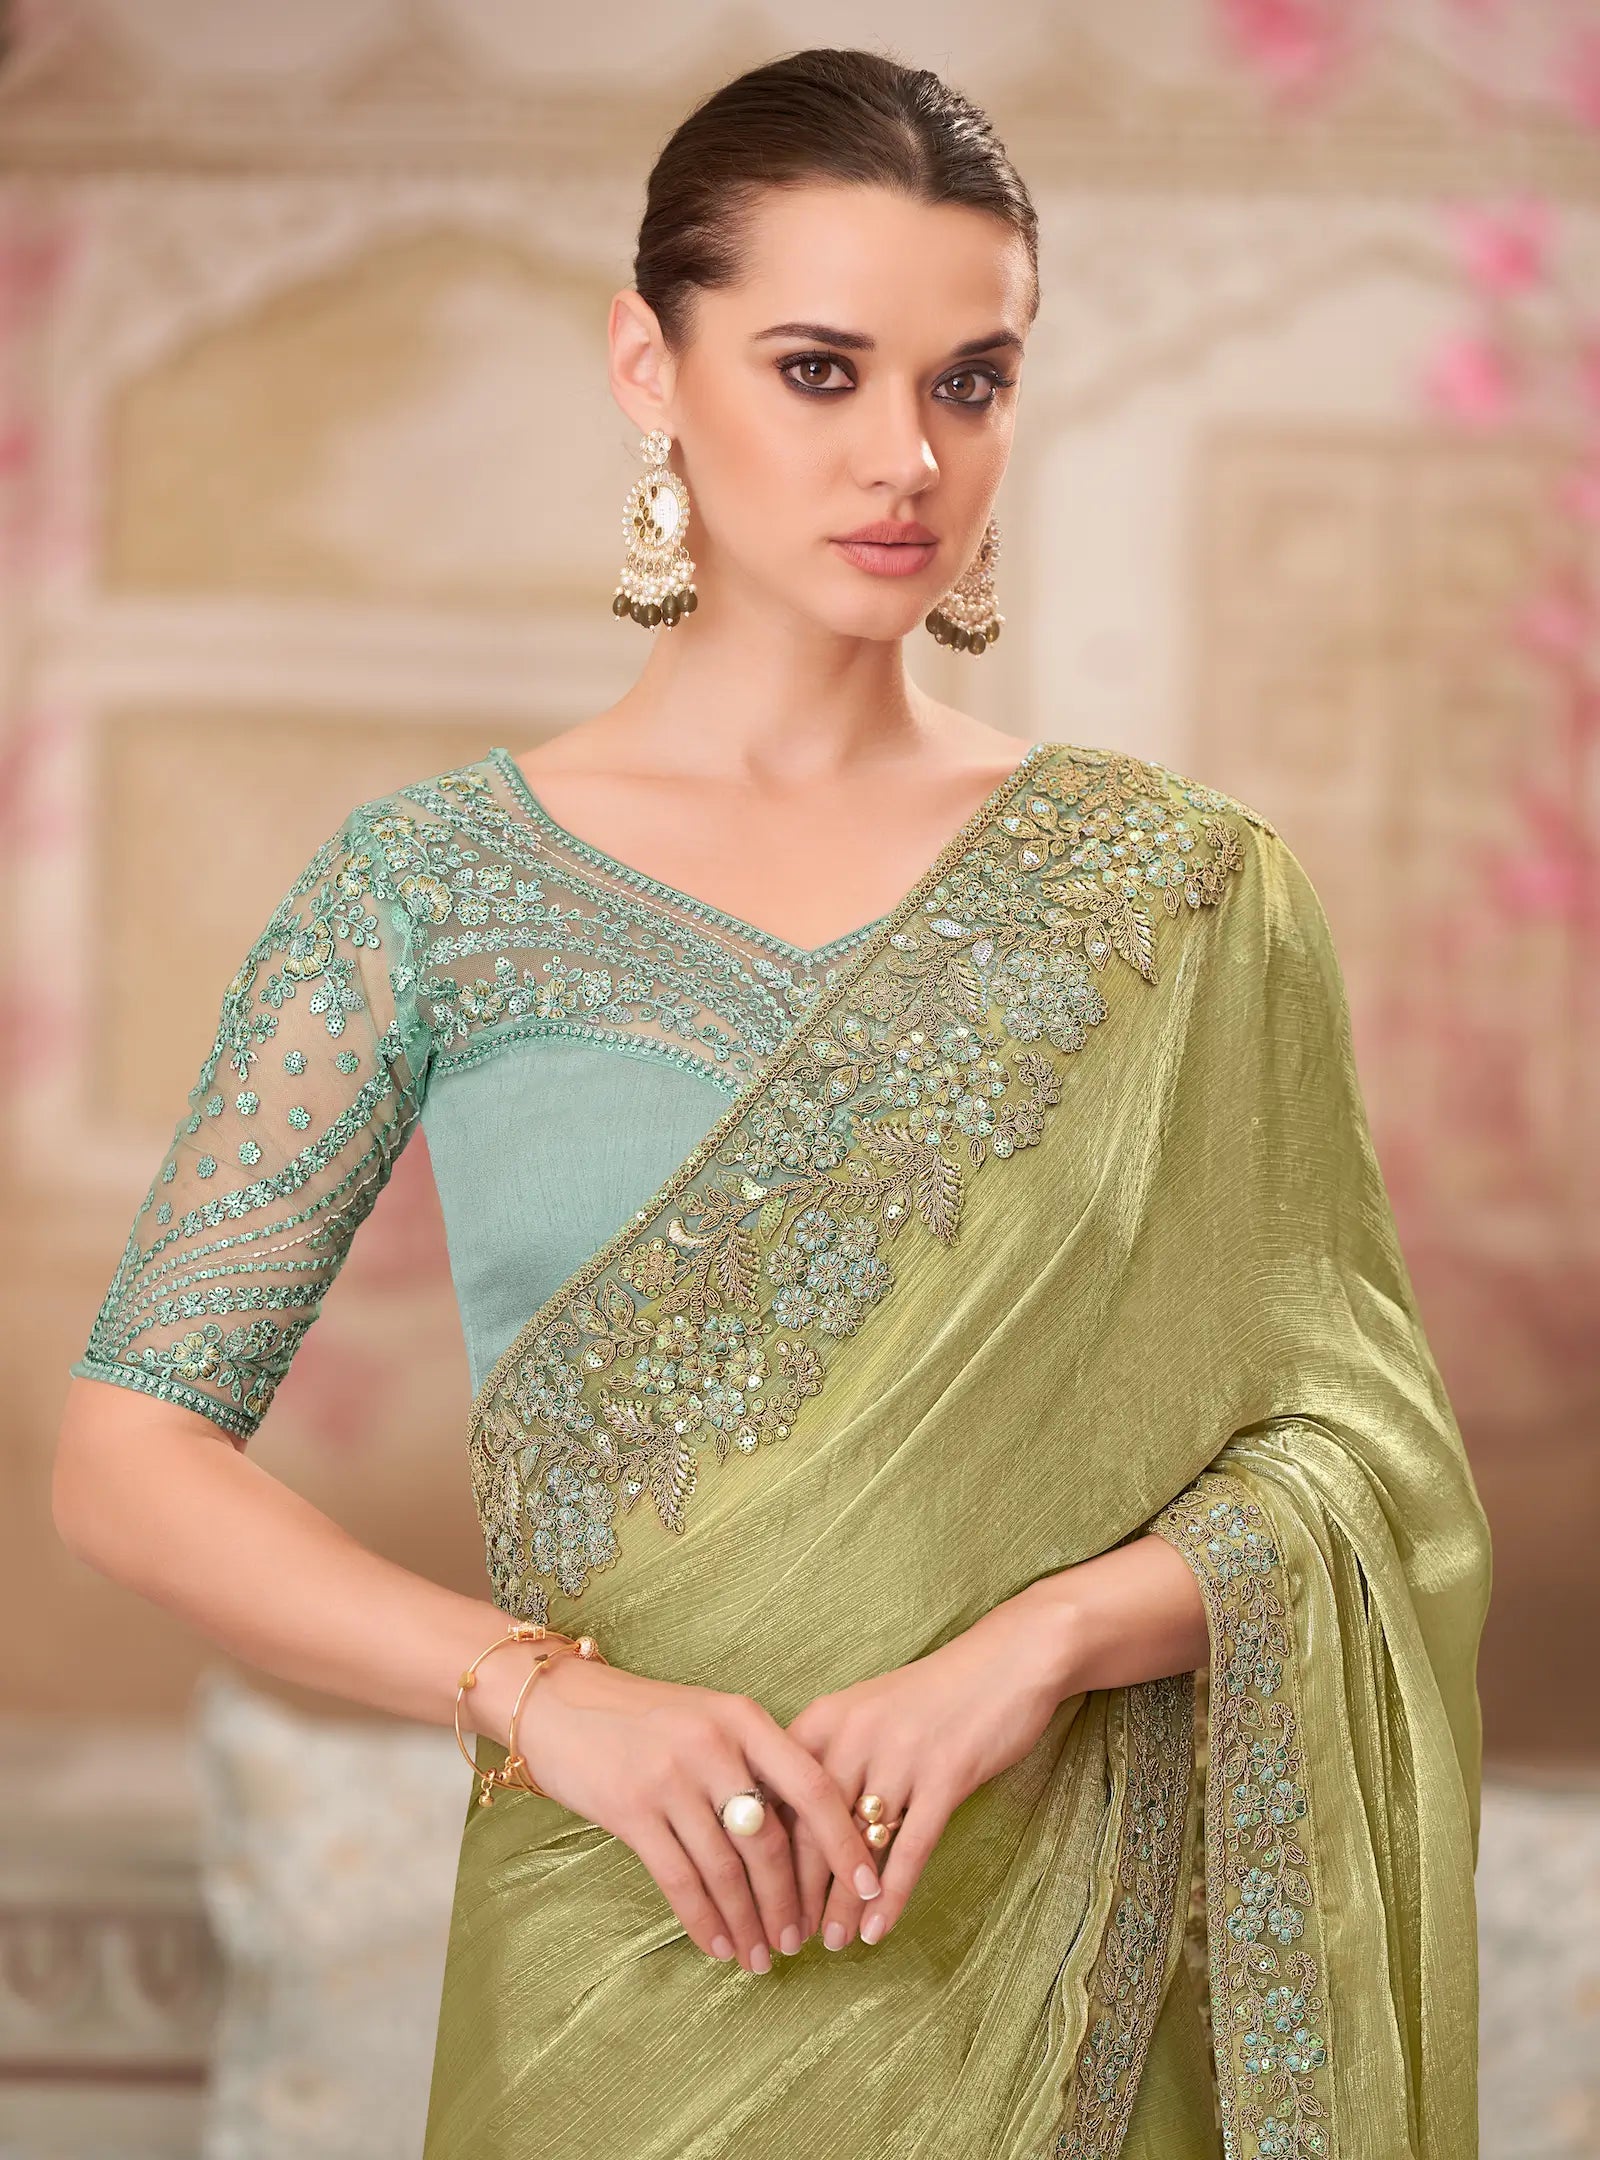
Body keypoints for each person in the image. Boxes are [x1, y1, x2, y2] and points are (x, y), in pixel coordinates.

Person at [53, 45, 1492, 2160]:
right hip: (615, 1960)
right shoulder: (427, 892)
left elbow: (1363, 1458)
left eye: (970, 382)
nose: (905, 457)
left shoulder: (1178, 894)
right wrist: (547, 1700)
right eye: (819, 371)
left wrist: (1037, 1645)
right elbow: (128, 1456)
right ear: (648, 367)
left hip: (1065, 1994)